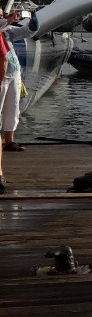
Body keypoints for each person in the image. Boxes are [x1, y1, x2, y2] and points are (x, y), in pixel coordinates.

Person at [0, 16, 21, 192]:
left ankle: (9, 140)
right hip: (2, 76)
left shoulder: (6, 33)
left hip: (12, 72)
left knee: (13, 108)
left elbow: (29, 31)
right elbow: (3, 60)